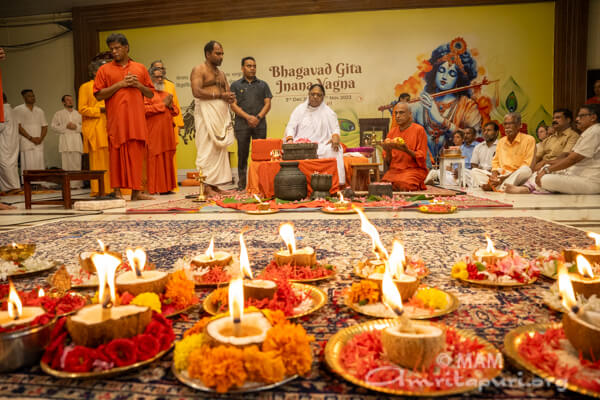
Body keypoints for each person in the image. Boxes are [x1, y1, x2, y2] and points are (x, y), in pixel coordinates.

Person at [94, 33, 155, 201]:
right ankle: (117, 191)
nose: (114, 51)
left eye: (117, 48)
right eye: (111, 49)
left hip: (136, 121)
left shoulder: (140, 68)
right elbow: (98, 95)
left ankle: (137, 192)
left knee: (136, 155)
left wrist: (138, 85)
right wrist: (120, 84)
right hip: (117, 122)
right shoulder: (104, 70)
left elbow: (150, 93)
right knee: (116, 155)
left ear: (126, 47)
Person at [412, 38, 482, 162]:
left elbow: (476, 141)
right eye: (442, 71)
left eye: (452, 74)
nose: (444, 77)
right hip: (425, 163)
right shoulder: (422, 103)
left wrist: (440, 120)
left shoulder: (467, 106)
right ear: (434, 73)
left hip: (456, 164)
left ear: (458, 81)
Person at [506, 104, 600, 194]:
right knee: (535, 169)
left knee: (545, 178)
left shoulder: (594, 131)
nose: (577, 119)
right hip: (571, 172)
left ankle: (527, 188)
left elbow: (571, 159)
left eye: (581, 116)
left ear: (593, 117)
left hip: (589, 180)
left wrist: (547, 169)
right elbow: (539, 156)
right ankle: (524, 187)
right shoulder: (587, 133)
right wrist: (543, 165)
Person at [190, 40, 236, 192]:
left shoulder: (221, 74)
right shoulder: (199, 69)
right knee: (206, 149)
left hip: (220, 115)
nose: (221, 57)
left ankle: (214, 185)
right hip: (205, 114)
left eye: (222, 53)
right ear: (208, 54)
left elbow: (226, 92)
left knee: (218, 151)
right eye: (217, 53)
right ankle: (205, 186)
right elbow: (196, 92)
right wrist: (220, 95)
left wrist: (229, 97)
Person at [284, 83, 346, 184]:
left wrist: (335, 137)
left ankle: (338, 183)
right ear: (308, 95)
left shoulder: (328, 112)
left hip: (321, 145)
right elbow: (291, 126)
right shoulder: (299, 110)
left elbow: (335, 128)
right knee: (290, 149)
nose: (315, 97)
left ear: (323, 97)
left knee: (336, 150)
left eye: (319, 95)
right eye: (313, 94)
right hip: (302, 145)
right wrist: (290, 139)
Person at [230, 56, 273, 190]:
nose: (252, 68)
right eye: (249, 66)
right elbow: (233, 105)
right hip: (242, 125)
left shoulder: (263, 84)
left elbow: (268, 103)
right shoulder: (235, 85)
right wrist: (248, 117)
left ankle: (260, 183)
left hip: (259, 124)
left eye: (254, 66)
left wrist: (257, 118)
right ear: (242, 68)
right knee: (242, 154)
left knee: (261, 155)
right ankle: (242, 184)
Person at [471, 112, 535, 191]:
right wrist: (494, 176)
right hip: (500, 175)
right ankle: (500, 186)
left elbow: (527, 164)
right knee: (475, 171)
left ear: (519, 125)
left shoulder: (529, 139)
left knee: (526, 170)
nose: (507, 126)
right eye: (505, 124)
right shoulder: (501, 141)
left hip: (515, 174)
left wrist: (503, 179)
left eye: (511, 123)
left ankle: (496, 187)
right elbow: (495, 162)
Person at [79, 59, 112, 197]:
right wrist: (100, 110)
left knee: (111, 161)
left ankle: (112, 189)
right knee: (98, 160)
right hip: (95, 129)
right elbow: (82, 109)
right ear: (94, 72)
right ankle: (99, 189)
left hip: (109, 127)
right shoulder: (86, 87)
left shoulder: (109, 87)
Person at [149, 60, 183, 193]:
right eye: (156, 77)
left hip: (167, 131)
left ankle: (167, 188)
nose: (159, 79)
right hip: (154, 131)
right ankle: (154, 188)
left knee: (167, 159)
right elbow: (144, 110)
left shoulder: (166, 93)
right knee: (155, 159)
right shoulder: (147, 93)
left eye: (161, 77)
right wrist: (163, 105)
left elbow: (176, 111)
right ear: (151, 78)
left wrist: (169, 105)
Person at [381, 103, 428, 191]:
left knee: (405, 185)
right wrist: (388, 151)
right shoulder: (392, 132)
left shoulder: (419, 130)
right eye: (396, 113)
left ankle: (419, 183)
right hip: (394, 171)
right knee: (384, 187)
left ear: (410, 114)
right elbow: (387, 161)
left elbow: (422, 157)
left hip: (413, 170)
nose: (398, 116)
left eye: (401, 113)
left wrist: (407, 150)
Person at [51, 95, 83, 188]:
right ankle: (67, 185)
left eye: (71, 100)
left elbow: (85, 126)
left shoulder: (78, 114)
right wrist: (65, 126)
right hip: (65, 142)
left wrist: (76, 127)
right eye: (68, 100)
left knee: (77, 164)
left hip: (76, 142)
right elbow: (53, 127)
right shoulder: (58, 114)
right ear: (63, 102)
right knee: (66, 165)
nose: (70, 101)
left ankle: (77, 185)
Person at [13, 89, 48, 173]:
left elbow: (45, 126)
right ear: (24, 97)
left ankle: (39, 182)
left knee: (39, 163)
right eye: (29, 96)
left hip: (38, 142)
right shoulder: (17, 109)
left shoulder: (39, 110)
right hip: (26, 141)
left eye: (33, 95)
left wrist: (40, 138)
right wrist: (31, 138)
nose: (32, 97)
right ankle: (28, 184)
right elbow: (18, 127)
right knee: (27, 164)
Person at [0, 93, 20, 194]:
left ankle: (11, 188)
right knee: (12, 164)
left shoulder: (2, 110)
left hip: (5, 141)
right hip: (12, 140)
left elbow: (1, 126)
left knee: (5, 164)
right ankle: (14, 186)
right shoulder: (11, 109)